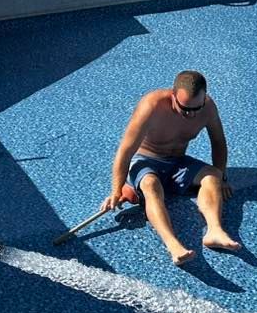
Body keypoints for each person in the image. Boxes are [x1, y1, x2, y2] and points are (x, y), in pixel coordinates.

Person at [102, 69, 241, 266]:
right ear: (173, 95)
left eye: (196, 109)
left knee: (212, 176)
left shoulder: (209, 108)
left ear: (204, 98)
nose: (190, 114)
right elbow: (125, 151)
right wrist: (115, 190)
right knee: (150, 185)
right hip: (145, 160)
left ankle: (215, 231)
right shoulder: (151, 106)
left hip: (177, 162)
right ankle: (173, 245)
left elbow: (218, 141)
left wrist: (222, 177)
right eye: (184, 108)